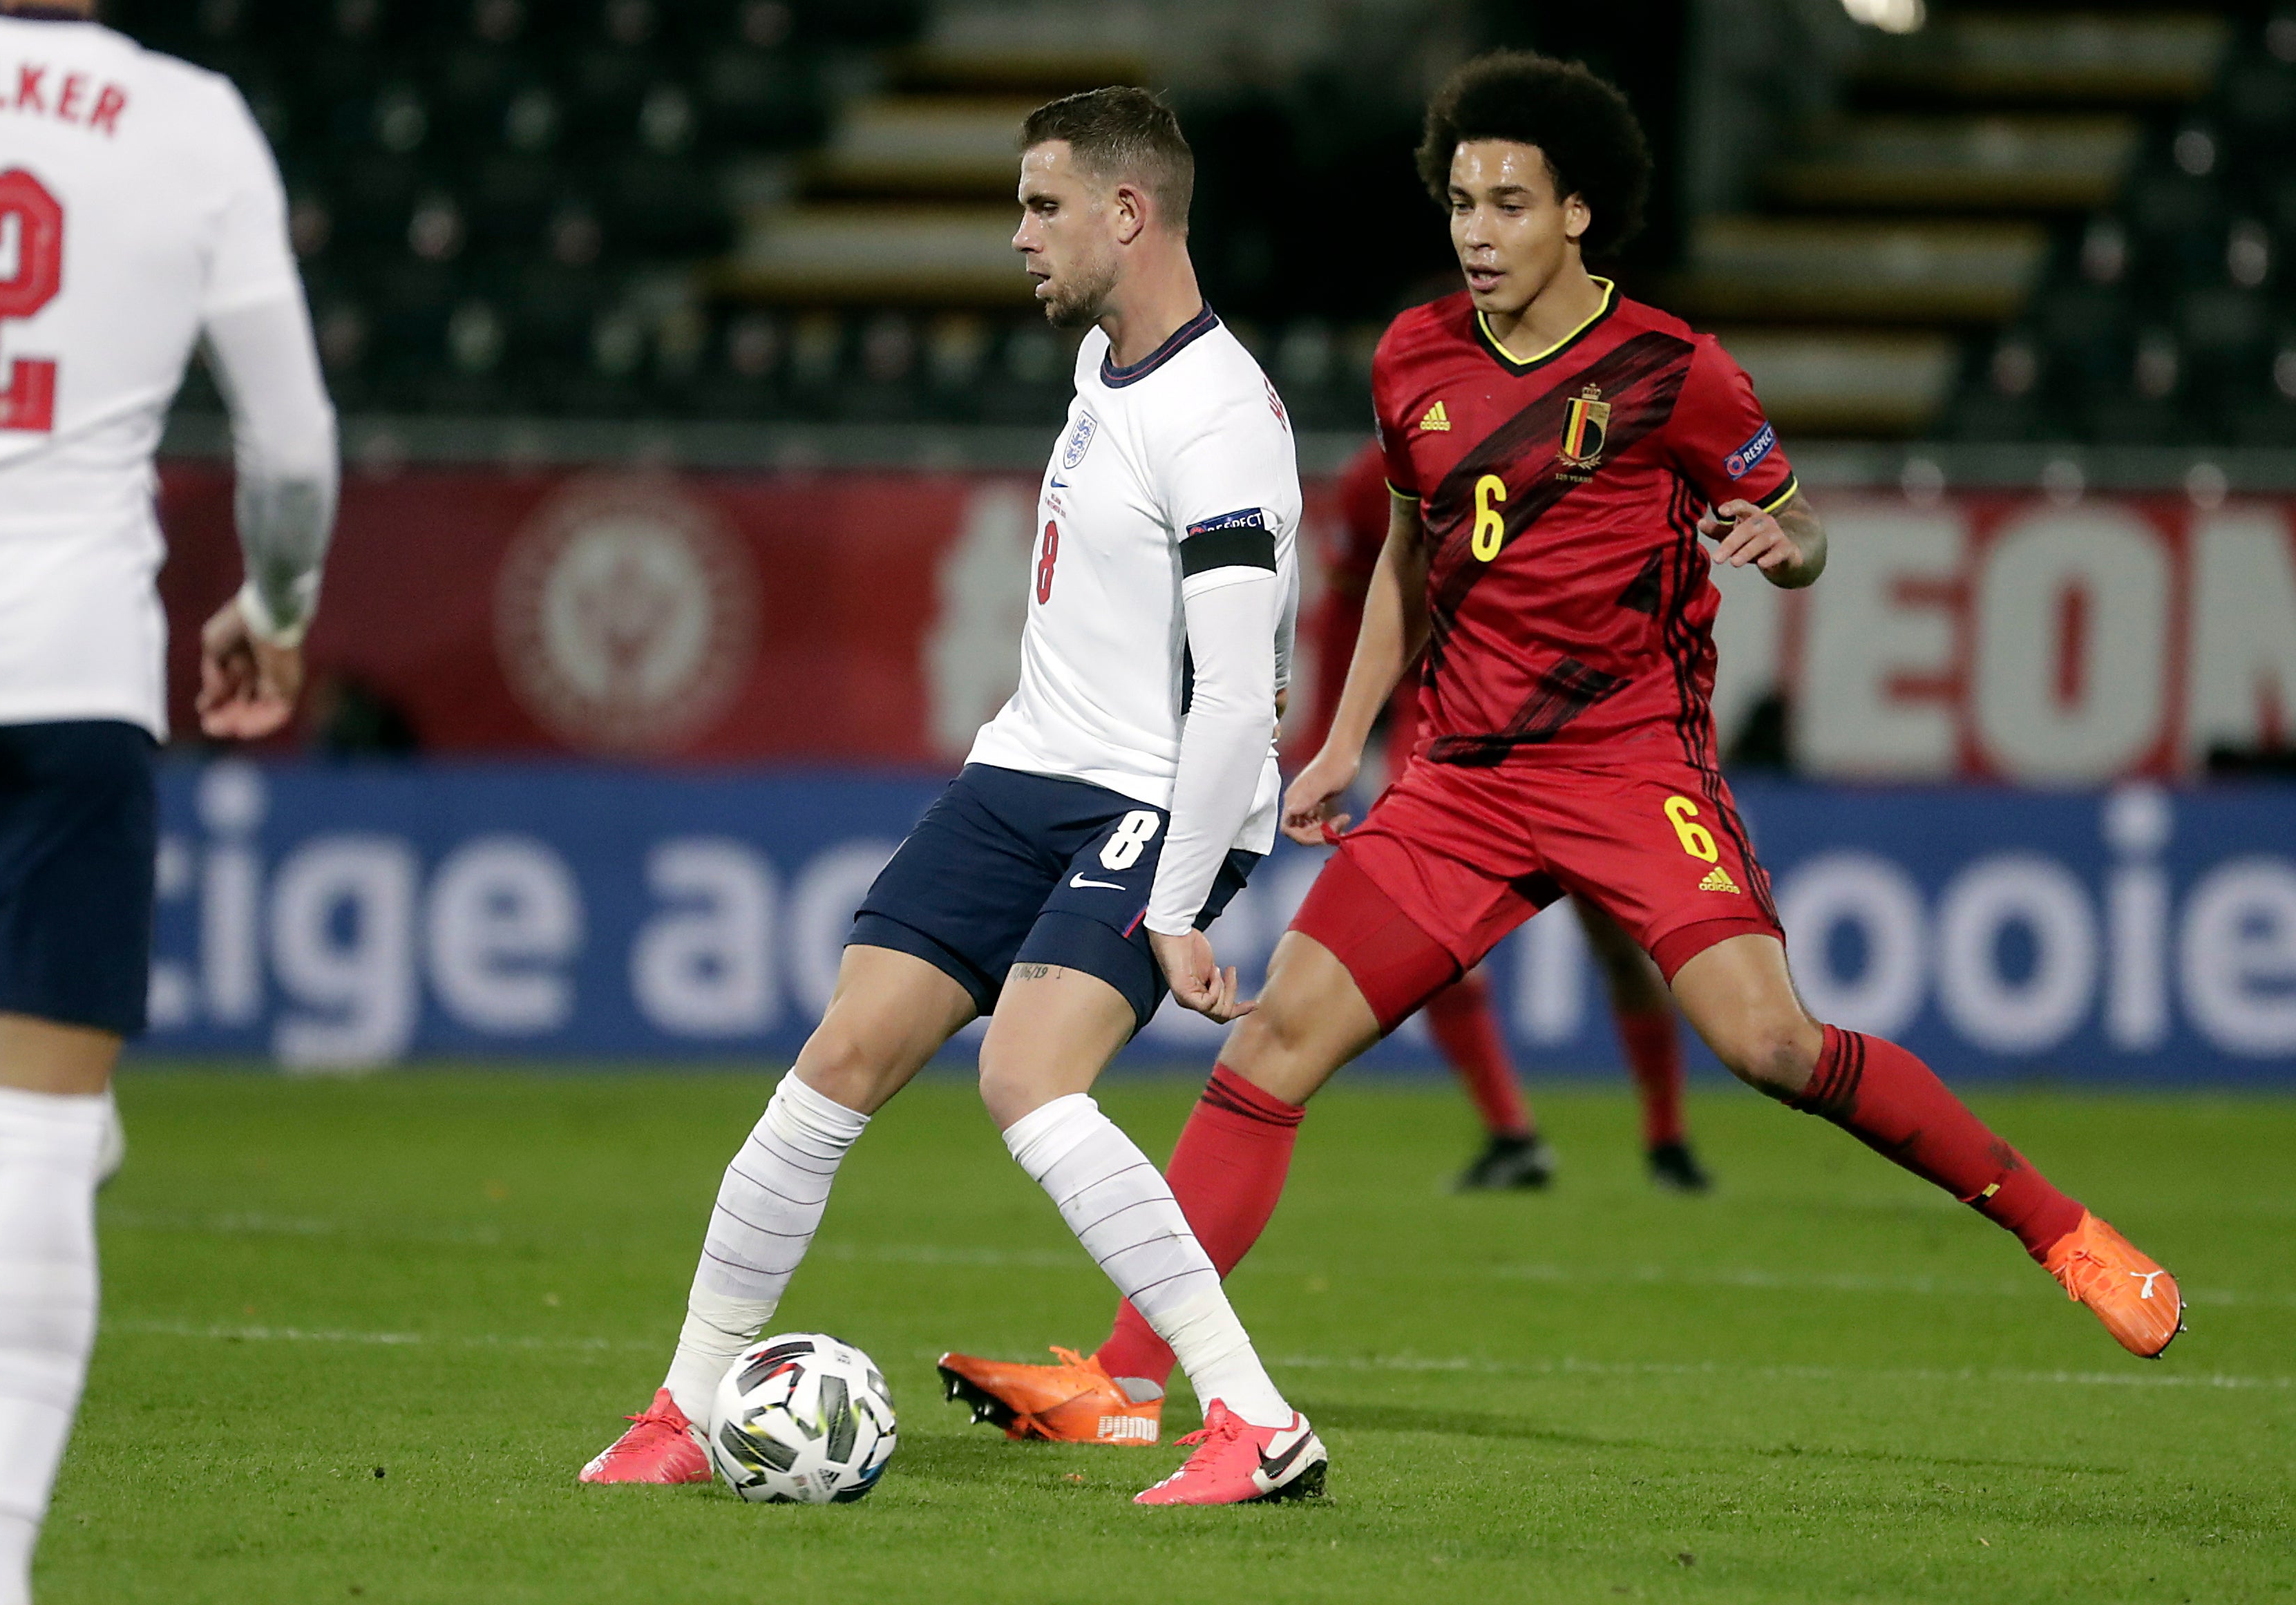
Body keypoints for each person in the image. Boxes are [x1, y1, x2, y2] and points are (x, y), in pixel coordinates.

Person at [938, 49, 2181, 1452]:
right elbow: (1411, 549)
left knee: (1767, 1045)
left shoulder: (1676, 371)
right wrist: (1345, 739)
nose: (1475, 232)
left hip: (1628, 764)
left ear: (1578, 213)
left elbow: (1800, 516)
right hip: (1461, 780)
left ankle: (2053, 1227)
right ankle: (1129, 1383)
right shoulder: (1412, 356)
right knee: (1271, 1046)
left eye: (1509, 204)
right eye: (1461, 201)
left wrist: (1790, 551)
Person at [578, 86, 1325, 1508]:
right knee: (842, 1054)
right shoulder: (1104, 366)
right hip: (1026, 765)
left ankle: (1253, 1420)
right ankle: (683, 1405)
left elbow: (1234, 697)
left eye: (1042, 207)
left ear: (1127, 212)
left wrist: (1175, 899)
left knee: (1023, 1076)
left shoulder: (1223, 421)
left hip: (1158, 796)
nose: (1016, 237)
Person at [0, 2, 338, 1605]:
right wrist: (275, 600)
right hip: (60, 677)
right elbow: (293, 447)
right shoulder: (183, 118)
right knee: (42, 1144)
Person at [1314, 441, 1707, 1193]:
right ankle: (1510, 1132)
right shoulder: (1378, 475)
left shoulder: (1575, 449)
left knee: (1620, 940)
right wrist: (1333, 739)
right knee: (1428, 945)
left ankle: (1667, 1137)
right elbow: (1350, 601)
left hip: (1571, 728)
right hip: (1438, 729)